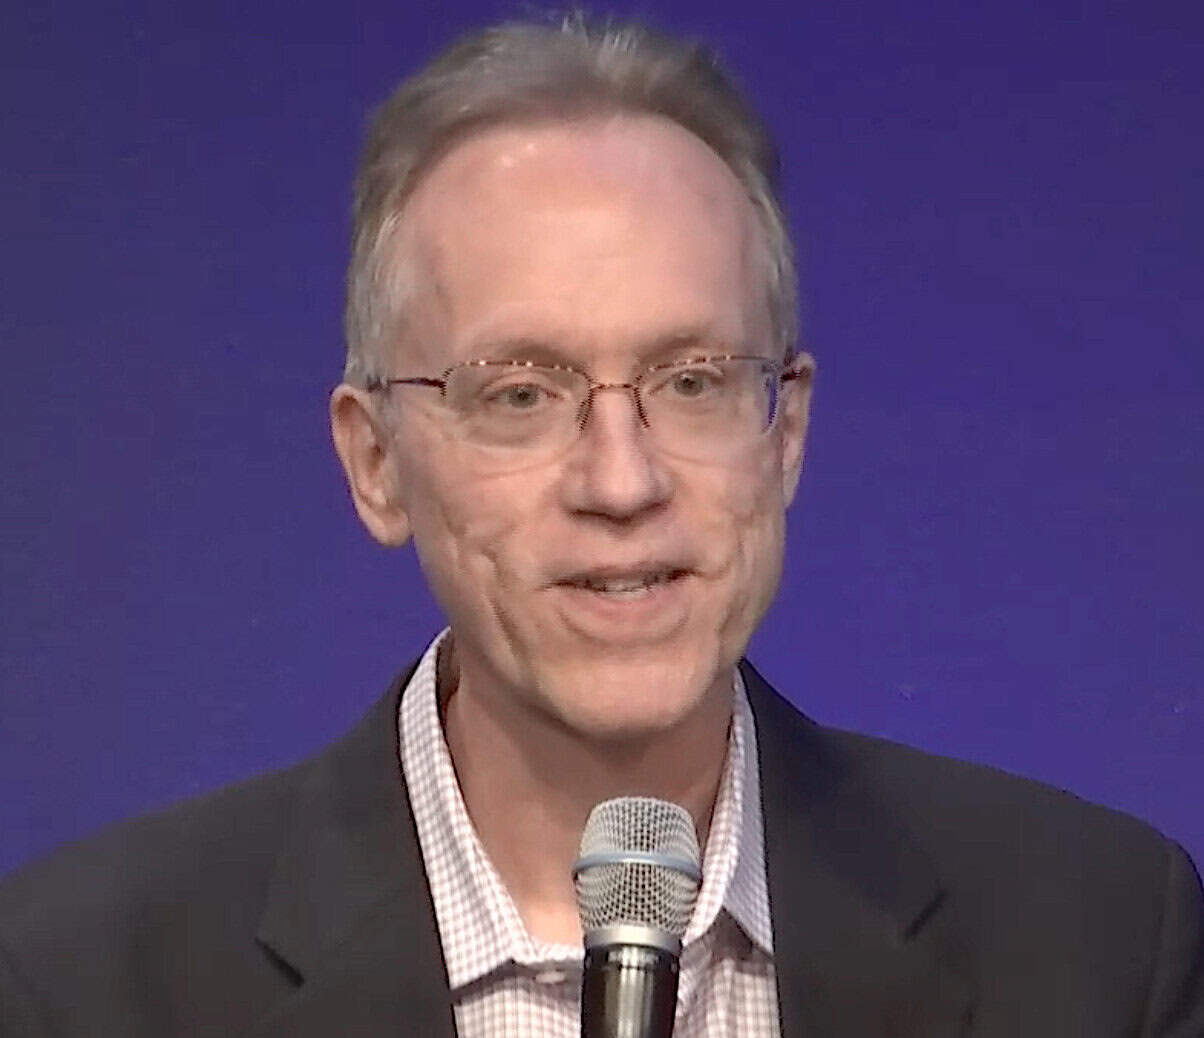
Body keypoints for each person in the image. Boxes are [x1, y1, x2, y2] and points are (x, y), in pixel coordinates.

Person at [1, 14, 1201, 1038]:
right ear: (375, 462)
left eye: (691, 380)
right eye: (521, 394)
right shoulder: (80, 984)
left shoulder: (1095, 944)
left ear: (783, 435)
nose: (621, 482)